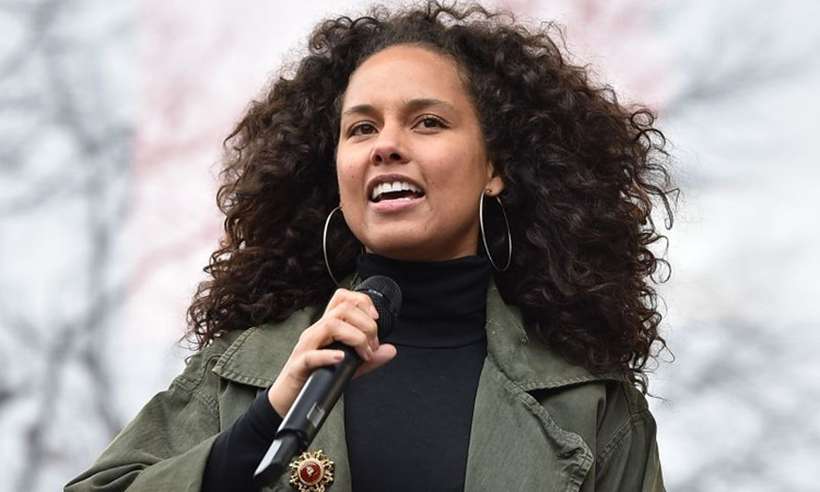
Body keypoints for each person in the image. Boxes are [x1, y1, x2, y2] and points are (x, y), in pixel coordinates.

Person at [66, 1, 675, 490]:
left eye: (427, 122)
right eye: (361, 128)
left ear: (496, 168)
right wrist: (263, 425)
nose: (385, 144)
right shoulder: (250, 372)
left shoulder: (589, 402)